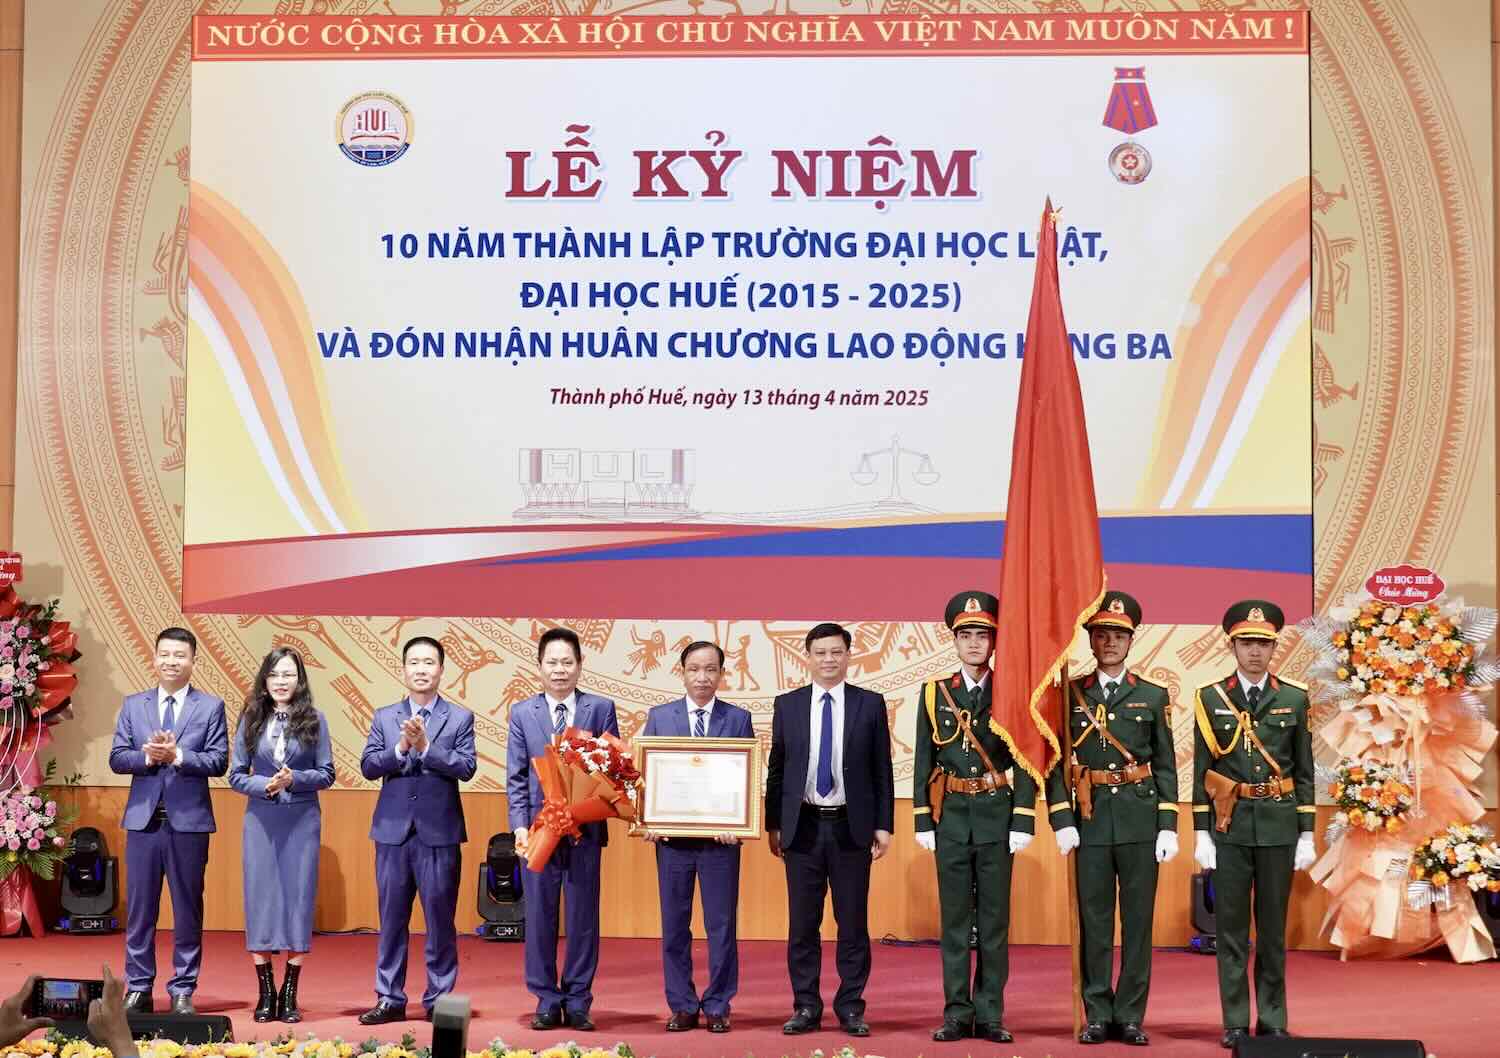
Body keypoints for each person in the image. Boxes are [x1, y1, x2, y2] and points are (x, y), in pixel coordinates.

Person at [912, 592, 1077, 1044]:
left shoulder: (1013, 693)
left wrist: (1023, 817)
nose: (973, 644)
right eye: (965, 635)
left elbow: (1025, 759)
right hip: (950, 818)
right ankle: (955, 1012)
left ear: (994, 641)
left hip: (995, 817)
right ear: (954, 641)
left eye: (981, 636)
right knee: (953, 922)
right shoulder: (934, 693)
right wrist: (923, 820)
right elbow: (924, 762)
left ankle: (989, 1013)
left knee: (994, 921)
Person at [1192, 600, 1316, 1050]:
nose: (1255, 652)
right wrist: (1201, 832)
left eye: (1263, 643)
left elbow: (1304, 770)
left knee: (1272, 929)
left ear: (1274, 647)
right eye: (1247, 642)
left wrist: (1306, 832)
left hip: (1279, 825)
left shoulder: (1294, 697)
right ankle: (1236, 1021)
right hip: (1229, 825)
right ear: (1233, 645)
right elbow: (1202, 771)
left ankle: (1274, 1017)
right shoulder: (1210, 697)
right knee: (1229, 930)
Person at [766, 622, 895, 1038]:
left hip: (850, 828)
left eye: (836, 652)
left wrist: (884, 825)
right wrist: (774, 823)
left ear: (848, 655)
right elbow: (778, 769)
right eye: (820, 652)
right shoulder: (788, 705)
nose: (828, 660)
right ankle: (805, 1006)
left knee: (852, 924)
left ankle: (851, 1007)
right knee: (803, 925)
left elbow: (882, 771)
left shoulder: (869, 704)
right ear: (808, 657)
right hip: (801, 827)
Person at [1062, 591, 1177, 1046]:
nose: (1110, 642)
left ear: (1132, 640)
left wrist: (1167, 822)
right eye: (1102, 634)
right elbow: (1056, 761)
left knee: (1137, 921)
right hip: (1089, 819)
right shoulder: (1070, 694)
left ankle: (1129, 1014)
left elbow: (1165, 763)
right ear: (1091, 640)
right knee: (1094, 920)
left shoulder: (1151, 695)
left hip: (1138, 817)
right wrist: (1061, 817)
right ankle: (1096, 1011)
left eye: (1119, 635)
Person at [109, 626, 228, 1014]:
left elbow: (218, 761)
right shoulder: (134, 705)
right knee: (141, 910)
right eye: (165, 654)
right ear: (155, 658)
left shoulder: (210, 707)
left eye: (180, 655)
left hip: (189, 824)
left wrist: (177, 755)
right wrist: (147, 757)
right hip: (144, 823)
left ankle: (182, 989)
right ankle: (139, 987)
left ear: (193, 661)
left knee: (187, 909)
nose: (172, 661)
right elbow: (117, 757)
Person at [507, 626, 621, 1032]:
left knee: (583, 917)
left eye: (567, 662)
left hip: (585, 831)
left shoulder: (600, 708)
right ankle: (545, 998)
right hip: (540, 830)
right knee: (539, 916)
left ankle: (577, 1000)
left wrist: (586, 807)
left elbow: (613, 770)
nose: (559, 670)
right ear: (539, 666)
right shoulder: (522, 713)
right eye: (552, 662)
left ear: (579, 665)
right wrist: (519, 827)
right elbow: (517, 777)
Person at [359, 636, 478, 1024]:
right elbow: (369, 766)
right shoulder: (384, 716)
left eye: (429, 663)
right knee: (391, 919)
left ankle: (440, 999)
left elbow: (466, 768)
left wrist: (427, 747)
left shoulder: (459, 718)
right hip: (393, 833)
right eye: (414, 662)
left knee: (440, 920)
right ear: (404, 669)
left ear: (442, 670)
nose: (421, 669)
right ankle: (389, 997)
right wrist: (400, 749)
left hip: (439, 833)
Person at [640, 640, 755, 1034]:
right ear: (682, 672)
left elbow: (745, 777)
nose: (702, 677)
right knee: (674, 925)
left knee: (721, 926)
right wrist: (648, 819)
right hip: (672, 843)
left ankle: (719, 1004)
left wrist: (736, 825)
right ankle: (683, 1004)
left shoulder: (738, 719)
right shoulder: (660, 717)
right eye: (694, 669)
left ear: (722, 674)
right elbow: (646, 778)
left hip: (719, 844)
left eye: (711, 669)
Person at [228, 647, 336, 1023]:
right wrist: (265, 785)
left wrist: (296, 779)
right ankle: (265, 989)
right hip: (260, 819)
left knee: (298, 898)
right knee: (260, 899)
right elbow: (236, 774)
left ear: (299, 679)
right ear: (265, 679)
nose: (281, 682)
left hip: (302, 818)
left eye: (288, 674)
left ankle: (290, 990)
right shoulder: (251, 718)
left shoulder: (315, 720)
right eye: (274, 675)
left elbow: (327, 773)